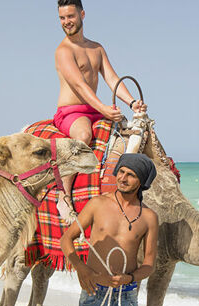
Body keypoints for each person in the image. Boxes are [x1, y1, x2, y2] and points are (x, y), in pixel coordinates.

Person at [61, 153, 158, 306]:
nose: (123, 178)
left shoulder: (148, 217)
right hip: (94, 291)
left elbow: (149, 265)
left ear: (141, 182)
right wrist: (83, 270)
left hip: (126, 297)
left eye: (131, 175)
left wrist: (131, 278)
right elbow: (67, 239)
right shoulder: (98, 204)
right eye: (121, 172)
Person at [54, 0, 148, 224]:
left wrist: (132, 102)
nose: (66, 22)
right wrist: (104, 108)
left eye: (70, 16)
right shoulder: (63, 51)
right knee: (84, 136)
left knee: (132, 133)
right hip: (71, 112)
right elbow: (79, 86)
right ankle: (63, 196)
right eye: (62, 18)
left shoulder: (96, 48)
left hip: (95, 109)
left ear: (82, 15)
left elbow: (112, 78)